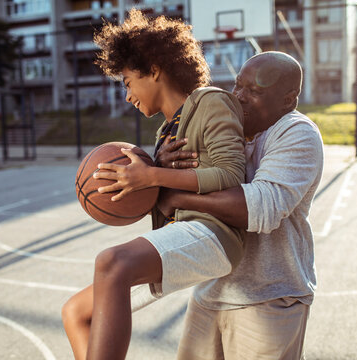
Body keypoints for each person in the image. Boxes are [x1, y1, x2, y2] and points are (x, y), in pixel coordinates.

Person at [61, 9, 246, 360]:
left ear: (155, 69)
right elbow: (164, 200)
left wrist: (152, 177)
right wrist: (149, 183)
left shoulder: (211, 102)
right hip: (179, 236)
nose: (127, 95)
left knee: (111, 262)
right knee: (75, 312)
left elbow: (231, 174)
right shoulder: (164, 134)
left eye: (128, 82)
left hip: (214, 235)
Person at [156, 51, 324, 359]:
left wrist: (176, 196)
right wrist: (164, 166)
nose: (240, 97)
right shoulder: (223, 127)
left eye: (255, 92)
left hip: (269, 298)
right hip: (211, 291)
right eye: (238, 86)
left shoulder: (296, 132)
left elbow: (260, 208)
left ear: (288, 101)